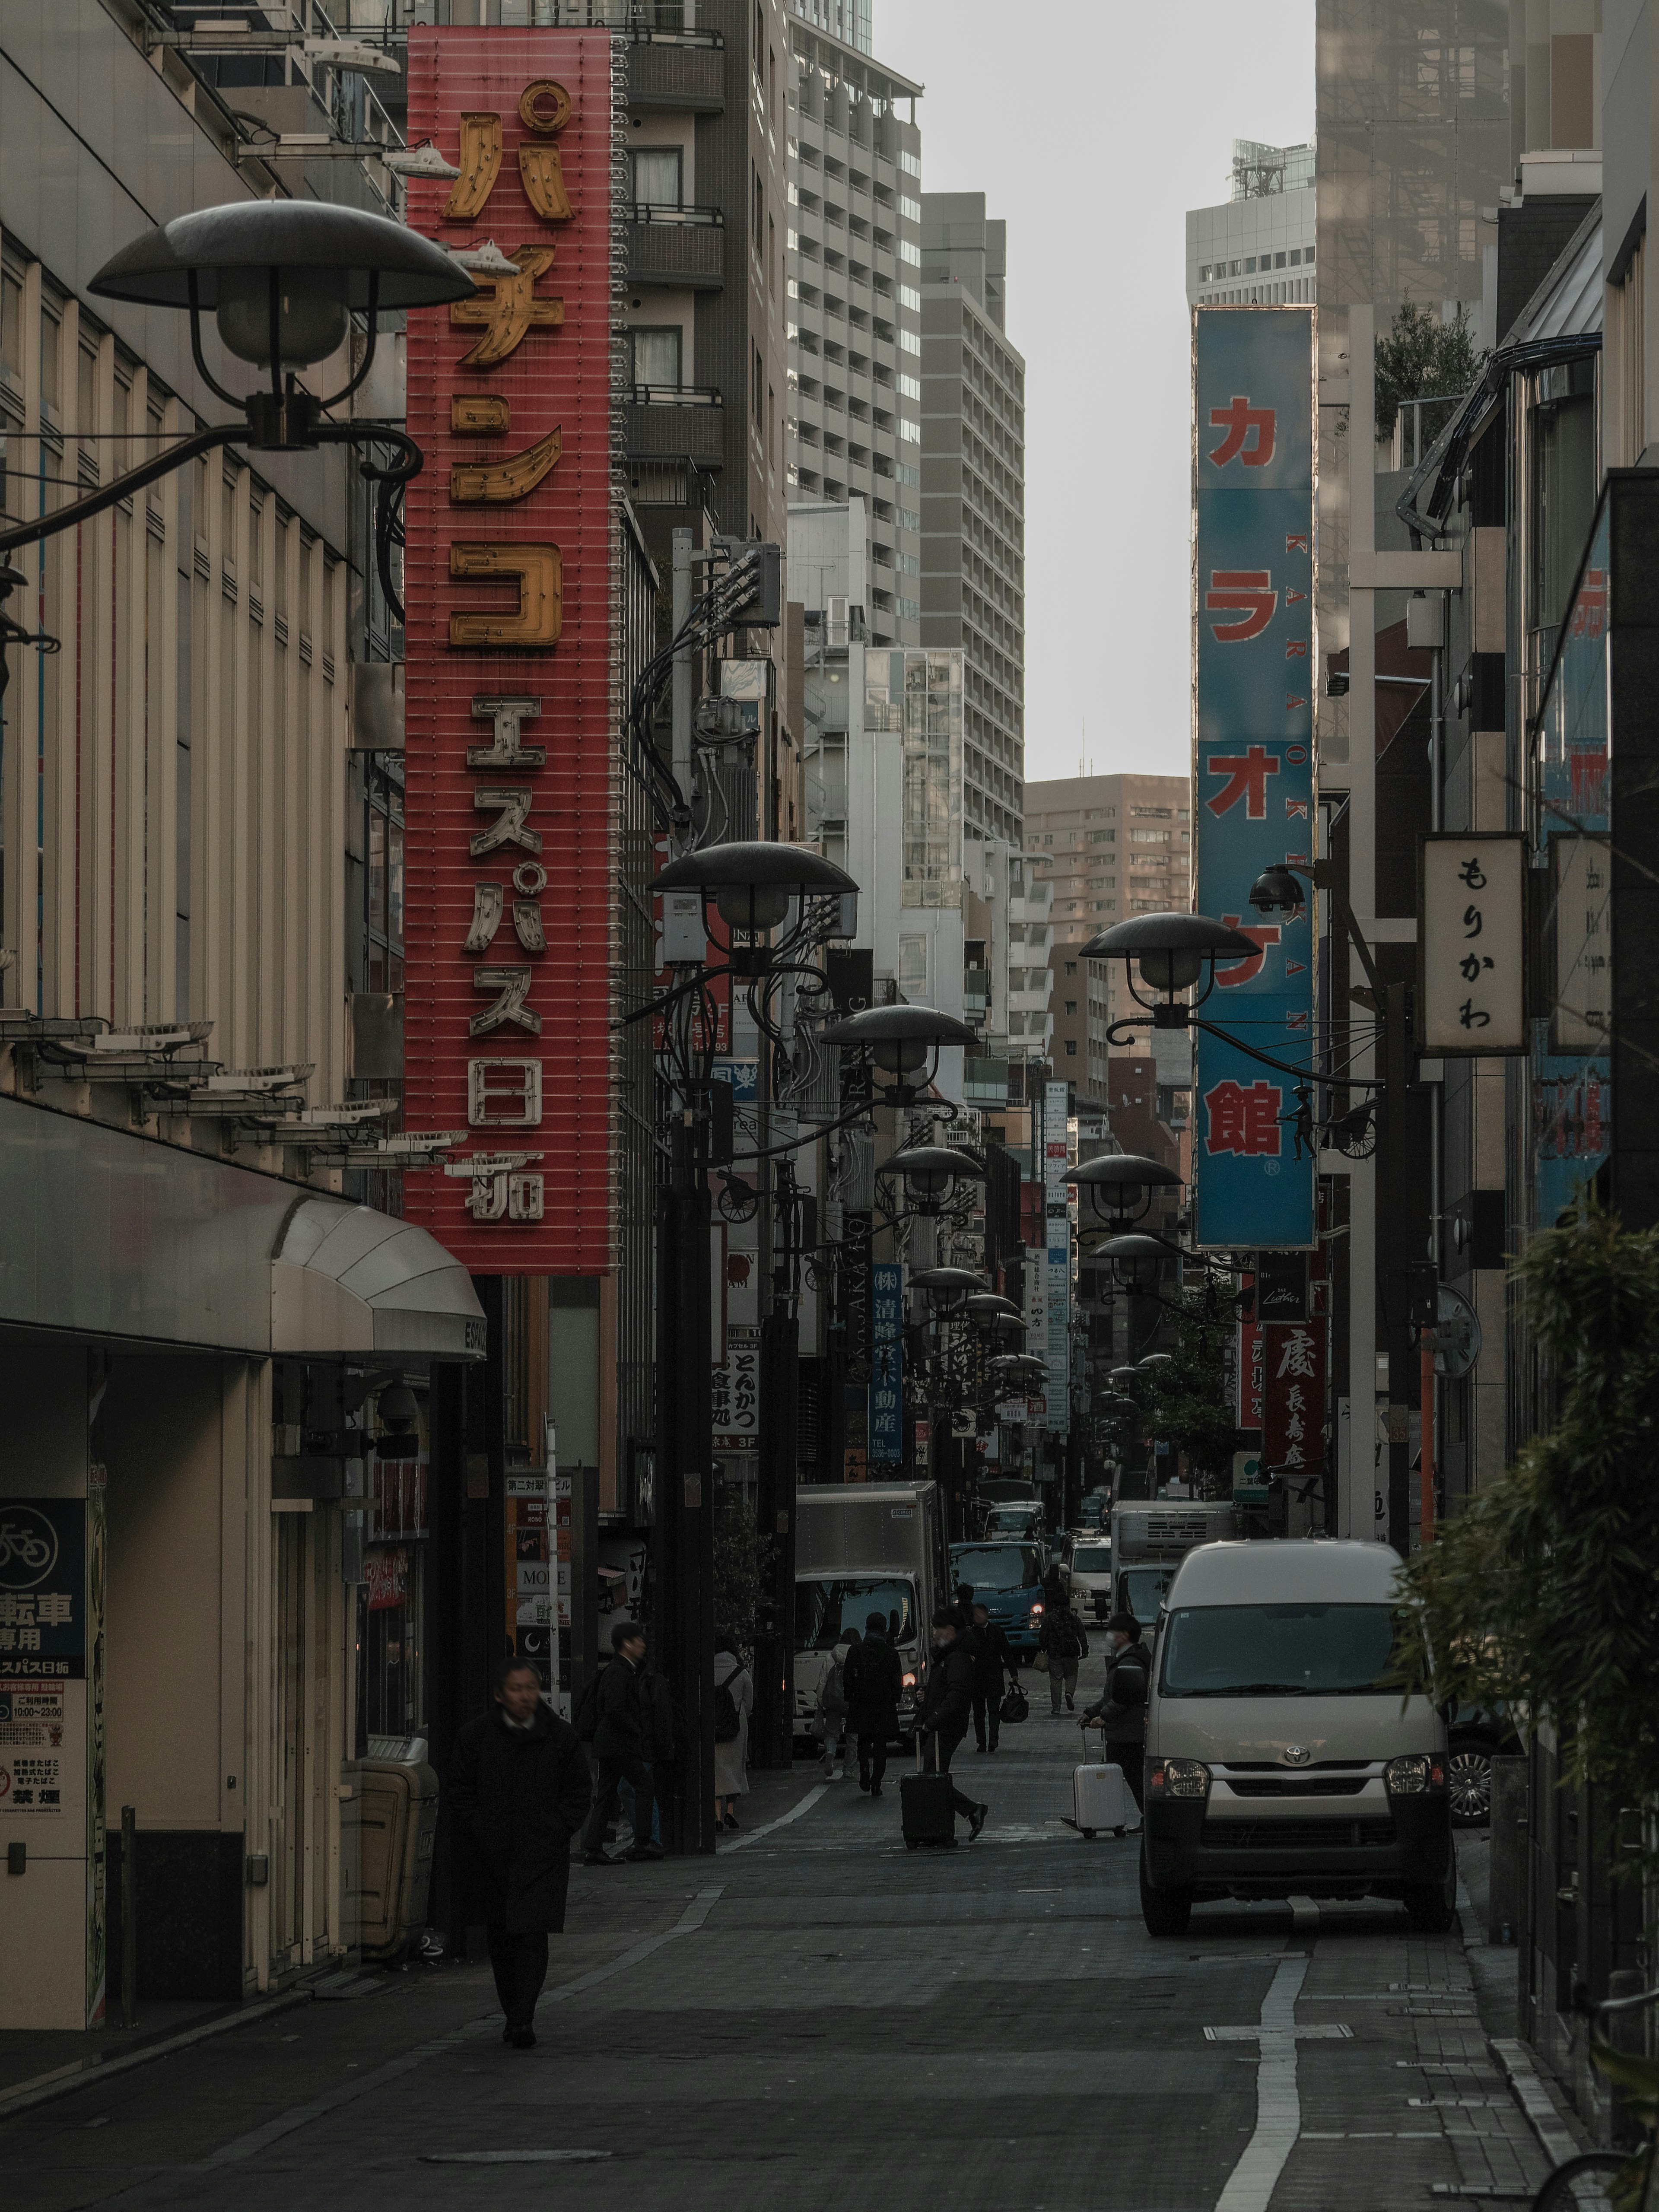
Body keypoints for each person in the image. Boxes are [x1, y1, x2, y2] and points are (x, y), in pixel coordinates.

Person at [448, 1656, 594, 2050]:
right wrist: (479, 1828)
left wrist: (557, 1829)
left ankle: (521, 2018)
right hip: (492, 1856)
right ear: (500, 1694)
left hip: (541, 1854)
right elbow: (460, 1791)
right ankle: (514, 2010)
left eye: (532, 1687)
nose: (526, 1696)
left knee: (532, 1935)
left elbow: (580, 1791)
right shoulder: (476, 1737)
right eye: (517, 1688)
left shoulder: (560, 1738)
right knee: (501, 1936)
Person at [580, 1621, 665, 1865]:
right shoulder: (620, 1671)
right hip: (619, 1744)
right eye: (639, 1642)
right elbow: (615, 1708)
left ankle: (594, 1848)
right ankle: (642, 1840)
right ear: (627, 1645)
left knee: (607, 1794)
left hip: (610, 1744)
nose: (643, 1646)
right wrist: (636, 1729)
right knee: (644, 1785)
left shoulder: (616, 1670)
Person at [917, 1607, 988, 1840]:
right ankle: (953, 1822)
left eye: (938, 1628)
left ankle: (961, 1816)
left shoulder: (957, 1657)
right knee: (935, 1777)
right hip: (944, 1724)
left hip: (944, 1727)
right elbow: (947, 1689)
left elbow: (956, 1694)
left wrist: (933, 1719)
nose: (935, 1633)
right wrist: (927, 1697)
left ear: (949, 1630)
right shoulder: (951, 1655)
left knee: (933, 1778)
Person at [1079, 1611, 1151, 1814]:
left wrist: (1104, 1717)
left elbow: (1124, 1697)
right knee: (1113, 1775)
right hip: (1123, 1732)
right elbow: (1112, 1696)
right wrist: (1092, 1712)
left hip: (1127, 1734)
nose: (1109, 1635)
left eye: (1113, 1631)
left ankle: (1099, 1817)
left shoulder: (1130, 1662)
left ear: (1124, 1635)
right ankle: (1099, 1817)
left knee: (1122, 1777)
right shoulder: (1124, 1659)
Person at [842, 1608, 903, 1796]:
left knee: (863, 1740)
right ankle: (877, 1781)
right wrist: (895, 1700)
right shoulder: (891, 1653)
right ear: (884, 1629)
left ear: (867, 1628)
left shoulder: (855, 1651)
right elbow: (897, 1681)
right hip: (884, 1706)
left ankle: (864, 1770)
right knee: (881, 1745)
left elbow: (847, 1678)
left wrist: (850, 1697)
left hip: (861, 1704)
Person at [713, 1629, 752, 1833]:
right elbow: (750, 1704)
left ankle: (717, 1815)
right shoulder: (742, 1673)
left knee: (717, 1770)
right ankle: (731, 1811)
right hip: (737, 1726)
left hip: (713, 1726)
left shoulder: (707, 1670)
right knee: (735, 1769)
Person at [968, 1601, 1013, 1753]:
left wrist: (1014, 1674)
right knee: (979, 1713)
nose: (979, 1617)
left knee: (994, 1711)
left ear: (987, 1615)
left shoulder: (996, 1631)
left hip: (994, 1677)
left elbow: (1006, 1652)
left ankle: (993, 1740)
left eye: (981, 1614)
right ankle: (981, 1741)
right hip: (977, 1679)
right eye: (976, 1615)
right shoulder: (970, 1634)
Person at [816, 1622, 859, 1777]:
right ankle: (848, 1769)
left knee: (831, 1732)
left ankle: (829, 1753)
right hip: (852, 1701)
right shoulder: (857, 1655)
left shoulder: (831, 1656)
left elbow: (823, 1681)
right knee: (853, 1737)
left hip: (833, 1701)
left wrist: (820, 1701)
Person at [1038, 1592, 1090, 1715]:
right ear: (1068, 1605)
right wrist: (1085, 1649)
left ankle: (1056, 1708)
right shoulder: (1074, 1619)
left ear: (1055, 1605)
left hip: (1055, 1653)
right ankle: (1069, 1693)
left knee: (1056, 1680)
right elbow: (1082, 1635)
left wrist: (1043, 1648)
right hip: (1072, 1653)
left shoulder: (1050, 1619)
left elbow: (1043, 1636)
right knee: (1072, 1675)